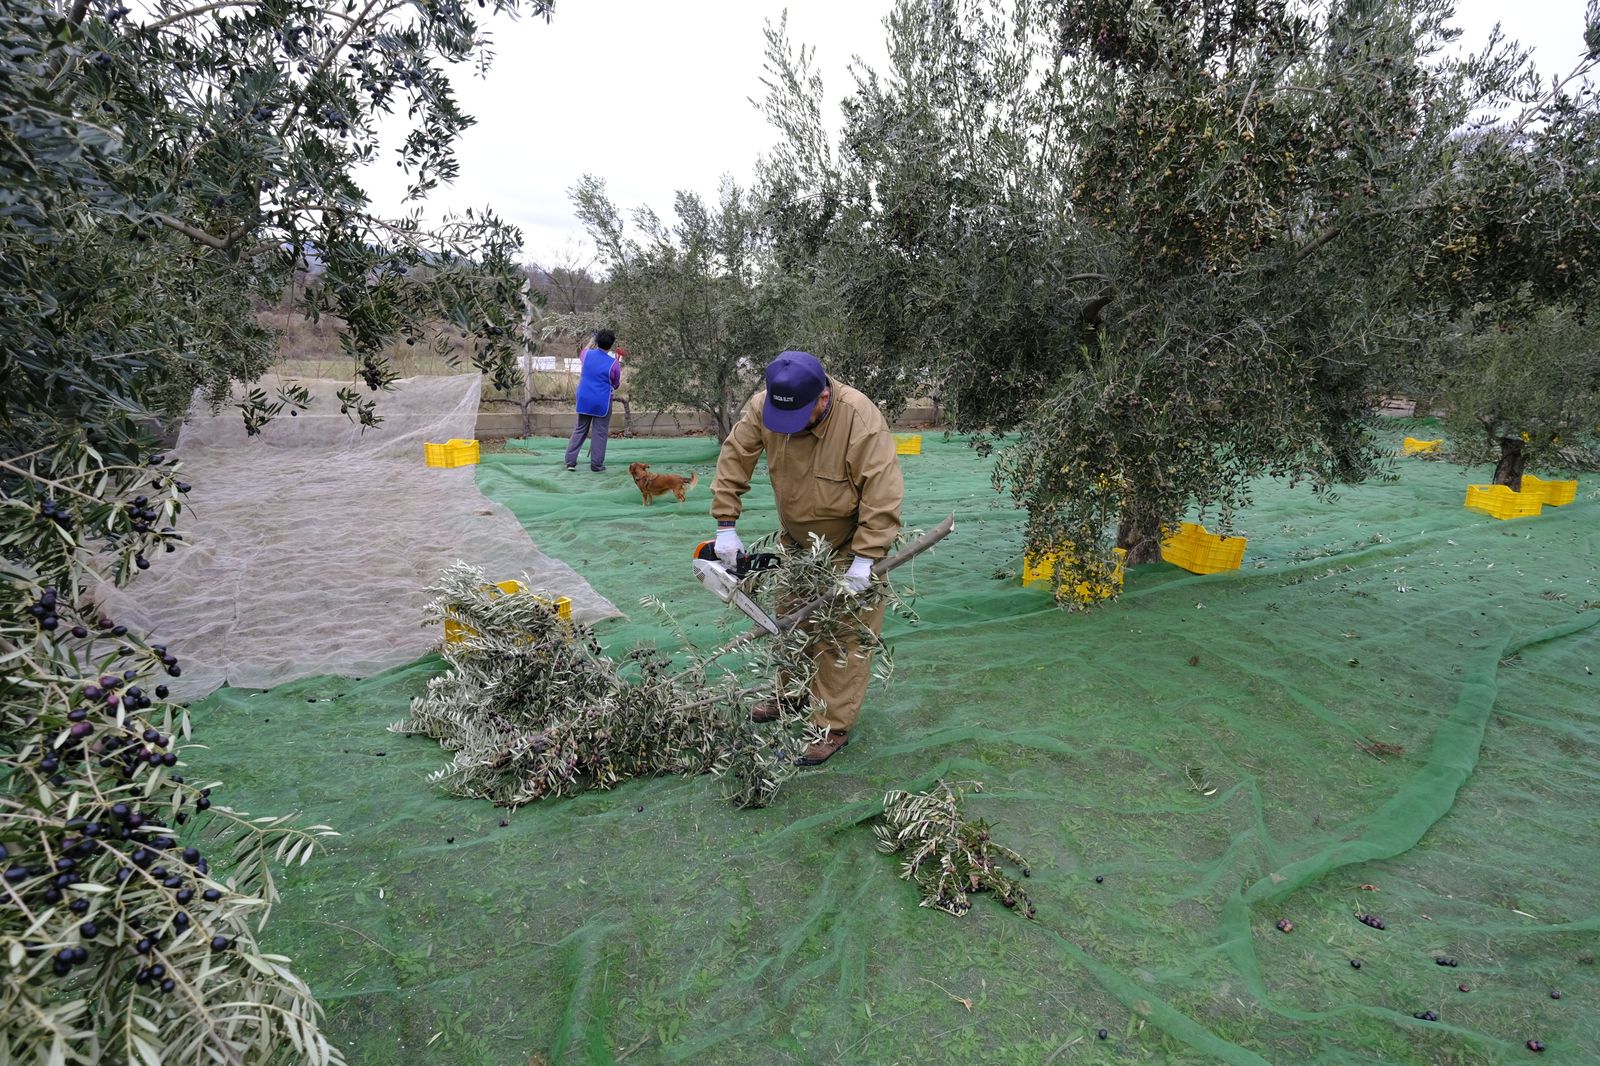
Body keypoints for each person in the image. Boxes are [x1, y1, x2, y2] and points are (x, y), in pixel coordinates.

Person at [708, 350, 904, 765]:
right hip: (798, 547)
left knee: (842, 638)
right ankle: (793, 695)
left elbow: (882, 495)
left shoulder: (859, 420)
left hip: (849, 547)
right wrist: (726, 524)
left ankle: (831, 725)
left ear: (821, 397)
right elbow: (734, 457)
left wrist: (866, 560)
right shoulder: (764, 406)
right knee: (792, 624)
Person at [565, 330, 622, 472]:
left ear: (597, 342)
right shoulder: (614, 364)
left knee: (580, 429)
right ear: (611, 345)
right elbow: (615, 384)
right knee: (600, 433)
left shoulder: (586, 355)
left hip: (584, 399)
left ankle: (570, 462)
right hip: (602, 403)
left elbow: (584, 350)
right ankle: (596, 465)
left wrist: (591, 340)